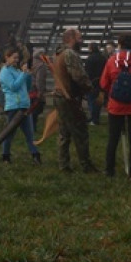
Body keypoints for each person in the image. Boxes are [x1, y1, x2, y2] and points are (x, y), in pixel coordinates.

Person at [99, 32, 131, 178]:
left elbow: (103, 83)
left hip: (115, 106)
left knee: (113, 139)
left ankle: (109, 170)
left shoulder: (111, 61)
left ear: (120, 45)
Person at [51, 27, 97, 173]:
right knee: (80, 132)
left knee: (64, 133)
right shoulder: (70, 54)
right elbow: (78, 76)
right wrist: (90, 88)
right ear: (71, 38)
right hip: (69, 97)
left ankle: (63, 165)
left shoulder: (58, 54)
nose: (81, 41)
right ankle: (86, 165)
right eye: (79, 38)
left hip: (60, 96)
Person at [0, 47, 42, 165]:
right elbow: (13, 87)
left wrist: (28, 75)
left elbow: (26, 87)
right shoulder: (5, 72)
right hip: (14, 107)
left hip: (24, 106)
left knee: (30, 134)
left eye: (18, 58)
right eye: (14, 58)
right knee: (10, 134)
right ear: (7, 57)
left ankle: (35, 155)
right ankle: (5, 156)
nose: (17, 60)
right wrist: (23, 74)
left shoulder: (16, 70)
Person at [84, 42, 107, 126]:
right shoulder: (103, 58)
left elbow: (87, 72)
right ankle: (95, 117)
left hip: (92, 82)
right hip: (102, 82)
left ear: (91, 49)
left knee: (91, 101)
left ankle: (94, 119)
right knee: (98, 102)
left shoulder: (90, 58)